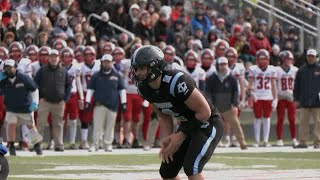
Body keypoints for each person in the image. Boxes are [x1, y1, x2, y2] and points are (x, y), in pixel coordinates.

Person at [131, 45, 223, 179]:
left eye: (142, 68)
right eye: (136, 69)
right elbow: (163, 117)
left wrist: (180, 136)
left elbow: (205, 112)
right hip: (188, 125)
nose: (138, 73)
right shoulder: (145, 89)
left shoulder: (176, 81)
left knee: (192, 168)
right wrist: (167, 140)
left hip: (207, 123)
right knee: (167, 171)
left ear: (154, 67)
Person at [0, 59, 43, 156]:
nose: (8, 70)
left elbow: (34, 89)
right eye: (6, 68)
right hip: (11, 107)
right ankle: (11, 147)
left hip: (24, 107)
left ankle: (37, 145)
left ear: (15, 68)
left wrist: (35, 102)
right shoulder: (3, 80)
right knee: (11, 126)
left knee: (30, 126)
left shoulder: (23, 77)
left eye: (10, 67)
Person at [86, 54, 126, 152]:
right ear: (102, 63)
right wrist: (87, 101)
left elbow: (122, 90)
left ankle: (107, 144)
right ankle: (95, 145)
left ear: (112, 63)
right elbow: (90, 89)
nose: (106, 63)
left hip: (113, 106)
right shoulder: (96, 75)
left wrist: (124, 102)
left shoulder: (117, 76)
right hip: (99, 105)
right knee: (97, 126)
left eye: (108, 62)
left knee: (110, 126)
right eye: (105, 62)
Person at [206, 57, 247, 150]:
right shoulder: (212, 77)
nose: (223, 66)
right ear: (217, 65)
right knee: (213, 127)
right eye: (221, 64)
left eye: (225, 64)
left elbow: (236, 92)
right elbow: (208, 93)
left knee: (236, 125)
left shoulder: (232, 77)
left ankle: (242, 143)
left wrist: (235, 105)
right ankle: (213, 144)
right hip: (215, 107)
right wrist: (210, 105)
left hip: (229, 107)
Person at [34, 49, 72, 152]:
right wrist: (39, 98)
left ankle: (59, 145)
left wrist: (65, 99)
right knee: (40, 123)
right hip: (44, 101)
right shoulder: (42, 70)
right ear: (48, 58)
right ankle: (37, 144)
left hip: (59, 102)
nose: (54, 59)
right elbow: (35, 84)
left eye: (55, 57)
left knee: (58, 124)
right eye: (51, 57)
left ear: (59, 58)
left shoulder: (64, 71)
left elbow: (69, 85)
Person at [248, 49, 278, 147]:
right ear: (257, 59)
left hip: (268, 96)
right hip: (257, 96)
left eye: (263, 59)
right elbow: (250, 85)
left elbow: (274, 85)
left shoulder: (272, 69)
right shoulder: (253, 69)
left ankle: (265, 140)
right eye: (260, 59)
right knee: (257, 118)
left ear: (268, 59)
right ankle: (257, 140)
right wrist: (252, 94)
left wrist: (275, 98)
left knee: (266, 118)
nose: (262, 61)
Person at [293, 49, 320, 149]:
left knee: (318, 123)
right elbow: (297, 86)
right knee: (303, 123)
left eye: (312, 56)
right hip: (304, 100)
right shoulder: (301, 70)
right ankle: (303, 142)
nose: (310, 58)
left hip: (317, 101)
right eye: (309, 56)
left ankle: (318, 142)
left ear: (316, 57)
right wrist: (296, 98)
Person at [275, 51, 298, 147]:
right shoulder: (277, 70)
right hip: (280, 97)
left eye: (290, 59)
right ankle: (279, 139)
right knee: (280, 119)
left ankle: (293, 138)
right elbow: (274, 84)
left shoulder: (295, 70)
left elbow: (298, 84)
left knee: (292, 119)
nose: (289, 61)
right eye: (287, 59)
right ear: (282, 59)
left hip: (291, 97)